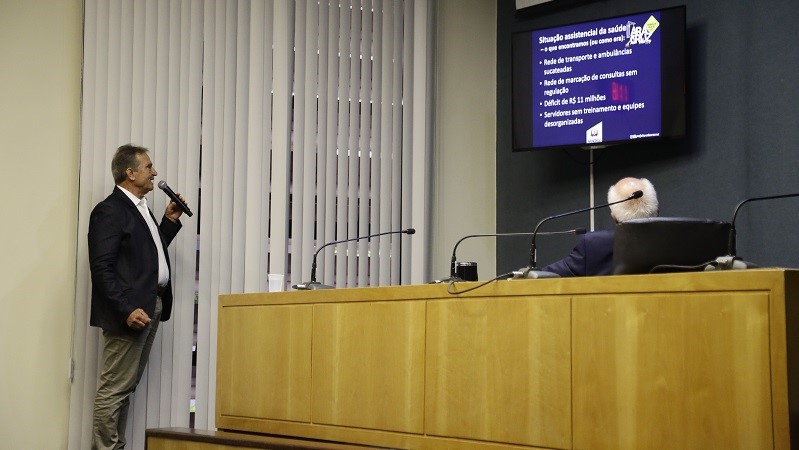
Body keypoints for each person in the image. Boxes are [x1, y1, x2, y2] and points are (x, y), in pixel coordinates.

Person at [88, 144, 187, 450]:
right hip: (131, 311)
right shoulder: (110, 210)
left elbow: (146, 255)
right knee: (113, 389)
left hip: (151, 304)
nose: (155, 173)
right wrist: (127, 308)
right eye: (148, 167)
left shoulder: (139, 207)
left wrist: (169, 221)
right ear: (130, 173)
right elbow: (101, 268)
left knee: (125, 387)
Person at [540, 177, 658, 277]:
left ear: (614, 218)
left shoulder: (595, 245)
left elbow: (546, 276)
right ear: (657, 210)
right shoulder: (675, 239)